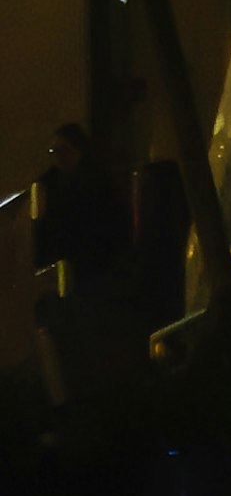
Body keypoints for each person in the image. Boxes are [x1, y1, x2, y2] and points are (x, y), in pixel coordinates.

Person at [30, 120, 137, 410]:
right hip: (68, 271)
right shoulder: (52, 184)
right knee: (66, 333)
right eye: (55, 151)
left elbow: (108, 230)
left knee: (84, 333)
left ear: (78, 151)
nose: (58, 157)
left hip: (90, 272)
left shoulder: (93, 185)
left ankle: (83, 397)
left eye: (63, 150)